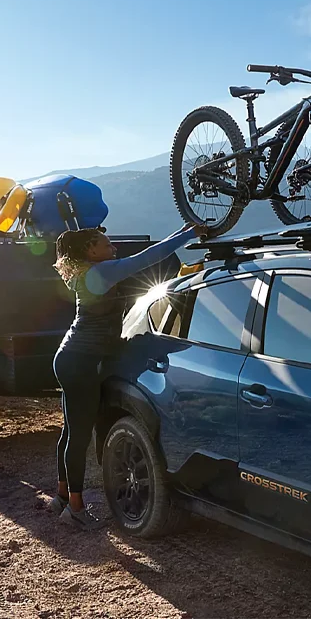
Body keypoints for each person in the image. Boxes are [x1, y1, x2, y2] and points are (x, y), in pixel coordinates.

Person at [49, 223, 205, 529]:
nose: (113, 248)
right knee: (79, 436)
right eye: (106, 244)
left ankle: (62, 497)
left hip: (70, 357)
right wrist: (188, 234)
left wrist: (183, 230)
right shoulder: (100, 273)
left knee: (70, 432)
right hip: (79, 362)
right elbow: (148, 258)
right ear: (91, 250)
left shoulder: (86, 273)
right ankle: (76, 510)